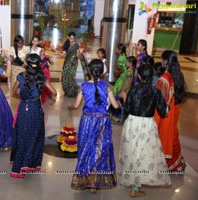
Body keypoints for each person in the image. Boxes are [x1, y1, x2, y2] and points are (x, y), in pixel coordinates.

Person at [119, 64, 171, 197]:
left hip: (132, 123)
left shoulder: (133, 89)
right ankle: (135, 187)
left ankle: (133, 182)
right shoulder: (155, 91)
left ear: (139, 75)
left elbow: (127, 108)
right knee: (144, 153)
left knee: (132, 151)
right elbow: (163, 112)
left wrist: (125, 99)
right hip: (147, 124)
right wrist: (168, 103)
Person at [68, 59, 120, 193]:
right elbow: (115, 106)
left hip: (87, 122)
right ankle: (94, 182)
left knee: (86, 148)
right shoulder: (107, 86)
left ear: (90, 71)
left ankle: (85, 178)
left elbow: (76, 105)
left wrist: (70, 106)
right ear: (102, 72)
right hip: (103, 121)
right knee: (100, 150)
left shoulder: (84, 86)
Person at [10, 54, 57, 179]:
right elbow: (54, 92)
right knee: (34, 136)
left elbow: (14, 90)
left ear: (26, 63)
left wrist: (23, 95)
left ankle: (19, 165)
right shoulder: (41, 77)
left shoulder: (21, 76)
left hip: (24, 108)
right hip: (36, 109)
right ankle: (30, 163)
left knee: (22, 136)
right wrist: (53, 99)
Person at [154, 50, 186, 172]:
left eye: (162, 59)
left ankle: (170, 163)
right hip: (175, 108)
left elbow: (162, 100)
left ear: (166, 61)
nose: (161, 61)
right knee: (172, 134)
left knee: (165, 135)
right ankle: (178, 163)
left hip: (166, 110)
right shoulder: (177, 74)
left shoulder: (163, 78)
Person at [59, 32, 88, 97]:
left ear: (75, 38)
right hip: (67, 63)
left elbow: (78, 55)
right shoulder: (66, 44)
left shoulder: (76, 45)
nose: (71, 40)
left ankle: (72, 92)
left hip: (73, 63)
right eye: (70, 38)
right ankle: (67, 91)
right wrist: (54, 50)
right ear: (68, 37)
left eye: (73, 38)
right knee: (64, 77)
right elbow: (63, 55)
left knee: (71, 77)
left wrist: (81, 55)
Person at [9, 35, 30, 111]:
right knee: (14, 86)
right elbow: (11, 61)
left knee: (23, 86)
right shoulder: (12, 49)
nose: (20, 44)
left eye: (22, 43)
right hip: (14, 70)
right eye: (19, 43)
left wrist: (24, 64)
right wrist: (20, 64)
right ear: (16, 42)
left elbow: (26, 59)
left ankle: (23, 104)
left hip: (23, 70)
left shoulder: (26, 49)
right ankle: (14, 106)